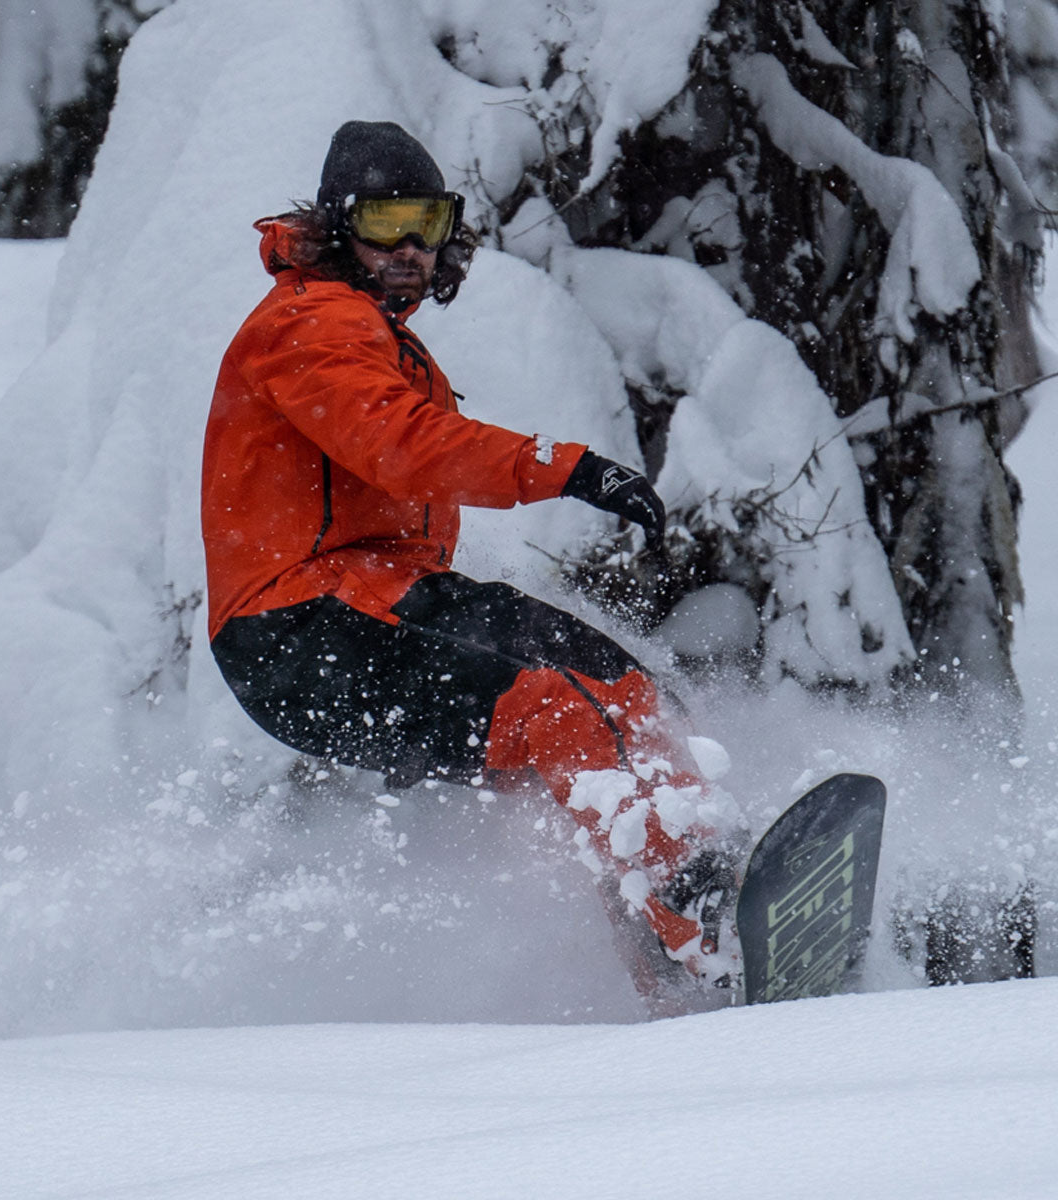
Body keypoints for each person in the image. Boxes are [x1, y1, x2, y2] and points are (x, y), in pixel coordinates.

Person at [202, 120, 739, 1003]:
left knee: (621, 687)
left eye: (427, 220)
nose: (410, 246)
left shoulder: (374, 328)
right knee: (559, 709)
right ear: (340, 227)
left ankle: (687, 904)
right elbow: (401, 445)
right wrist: (567, 468)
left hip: (382, 591)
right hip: (294, 630)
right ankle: (700, 935)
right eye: (383, 223)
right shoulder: (310, 325)